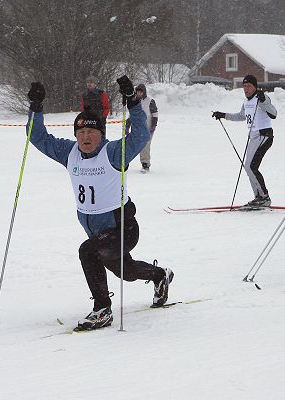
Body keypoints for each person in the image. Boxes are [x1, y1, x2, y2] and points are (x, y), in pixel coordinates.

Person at [26, 76, 173, 331]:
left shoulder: (114, 153)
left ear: (101, 134)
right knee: (125, 272)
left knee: (88, 251)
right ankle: (160, 276)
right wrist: (36, 107)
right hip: (96, 230)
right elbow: (37, 137)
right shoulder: (68, 152)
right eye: (80, 132)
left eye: (91, 132)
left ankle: (102, 309)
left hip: (122, 228)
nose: (85, 137)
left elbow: (140, 134)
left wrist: (133, 103)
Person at [212, 75, 277, 208]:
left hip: (264, 135)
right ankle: (259, 196)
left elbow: (274, 114)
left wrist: (264, 99)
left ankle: (264, 197)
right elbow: (241, 116)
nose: (246, 89)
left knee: (252, 166)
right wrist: (223, 115)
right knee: (248, 167)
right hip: (253, 137)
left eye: (249, 86)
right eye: (244, 86)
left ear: (255, 87)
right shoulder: (246, 102)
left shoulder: (261, 98)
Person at [125, 83, 158, 173]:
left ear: (144, 92)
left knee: (145, 146)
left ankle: (145, 164)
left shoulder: (150, 101)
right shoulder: (134, 101)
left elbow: (155, 115)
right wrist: (127, 127)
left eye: (141, 92)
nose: (139, 93)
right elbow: (131, 115)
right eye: (138, 92)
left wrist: (153, 126)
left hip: (148, 128)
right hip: (137, 128)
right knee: (134, 145)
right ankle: (125, 162)